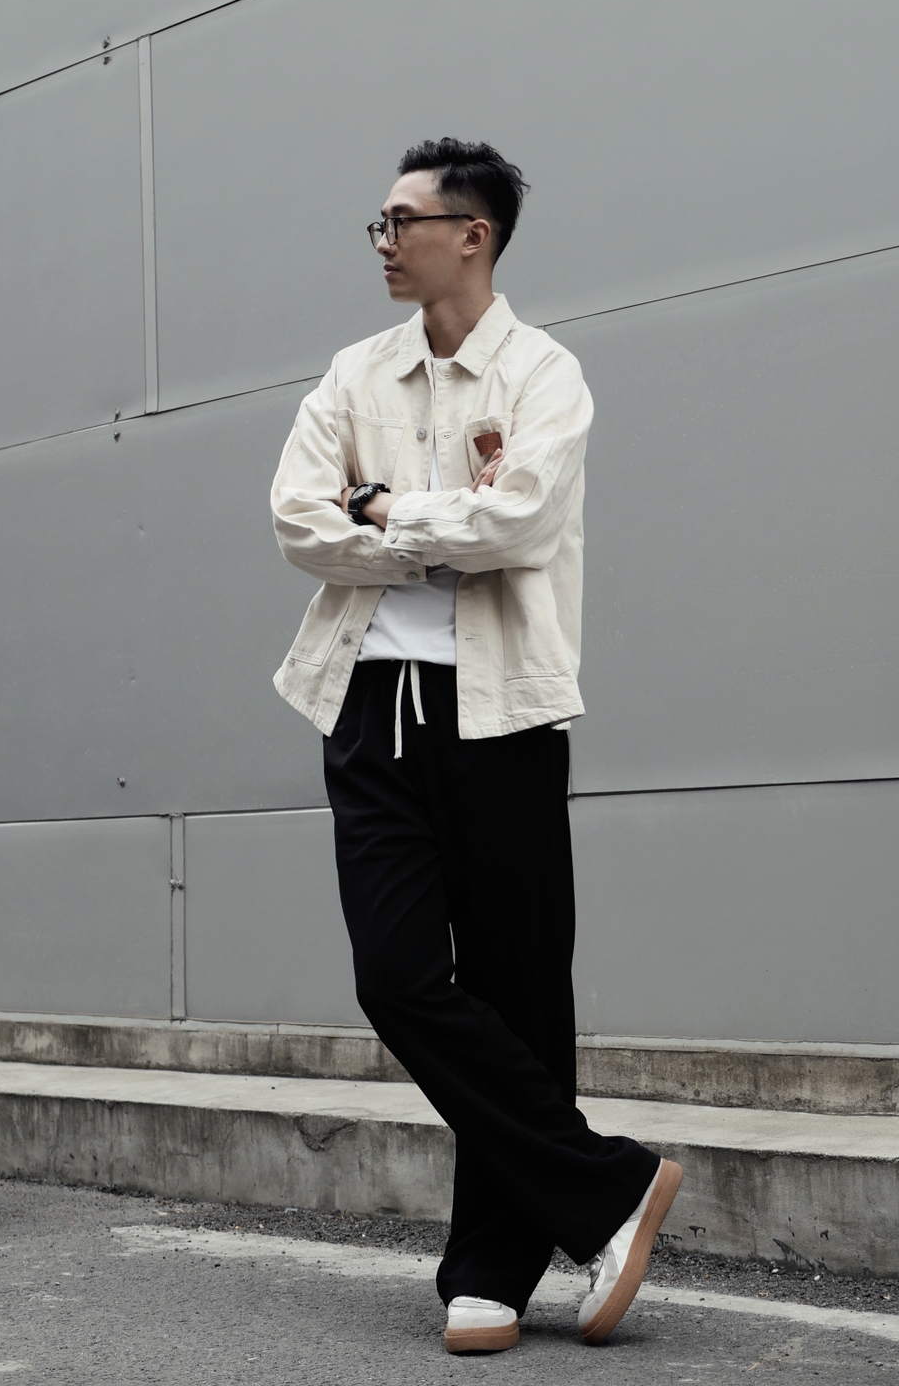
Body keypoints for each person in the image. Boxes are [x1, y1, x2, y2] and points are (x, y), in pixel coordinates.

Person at [270, 138, 682, 1352]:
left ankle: (492, 1270)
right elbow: (296, 521)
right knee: (395, 976)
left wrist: (383, 509)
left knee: (517, 989)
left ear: (472, 234)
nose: (382, 241)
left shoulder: (543, 374)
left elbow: (521, 525)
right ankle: (607, 1187)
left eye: (402, 220)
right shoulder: (354, 375)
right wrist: (436, 530)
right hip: (369, 705)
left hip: (499, 712)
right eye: (378, 222)